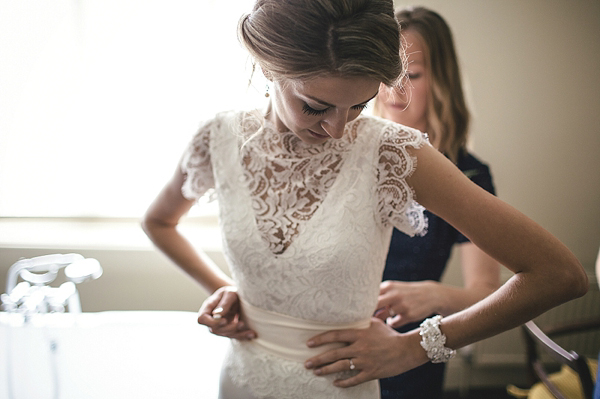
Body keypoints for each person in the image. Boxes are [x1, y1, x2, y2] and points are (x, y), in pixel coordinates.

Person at [141, 1, 588, 398]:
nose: (338, 130)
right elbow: (158, 222)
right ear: (268, 69)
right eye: (316, 107)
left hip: (342, 387)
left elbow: (559, 274)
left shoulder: (393, 151)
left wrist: (418, 346)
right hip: (243, 377)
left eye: (359, 104)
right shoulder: (219, 137)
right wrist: (224, 288)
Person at [371, 6, 500, 398]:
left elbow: (487, 291)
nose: (395, 90)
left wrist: (435, 294)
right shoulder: (346, 147)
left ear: (440, 79)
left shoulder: (470, 175)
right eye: (386, 74)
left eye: (411, 76)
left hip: (411, 355)